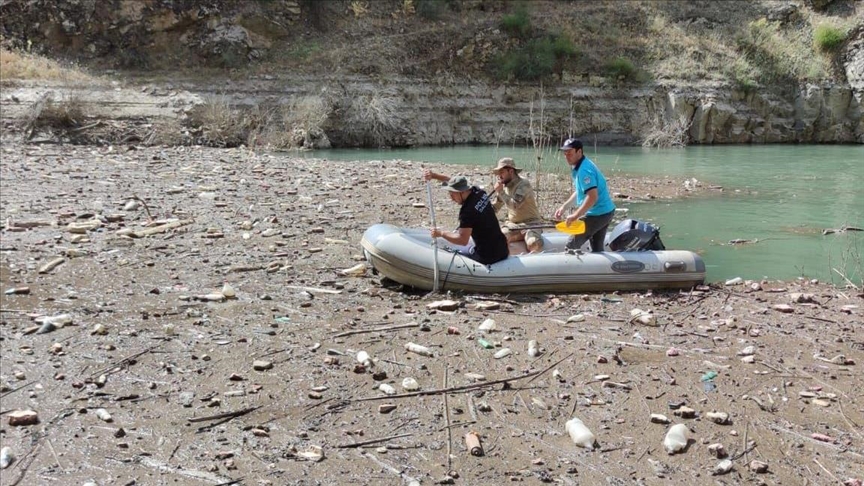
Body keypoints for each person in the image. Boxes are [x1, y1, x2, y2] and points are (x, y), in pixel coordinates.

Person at [423, 169, 509, 265]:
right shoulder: (479, 192)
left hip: (487, 257)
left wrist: (441, 233)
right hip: (503, 248)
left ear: (462, 192)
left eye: (453, 195)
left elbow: (462, 240)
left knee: (451, 252)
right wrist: (434, 175)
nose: (451, 199)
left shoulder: (467, 212)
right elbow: (454, 181)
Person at [554, 138, 616, 252]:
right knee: (596, 248)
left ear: (579, 152)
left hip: (598, 214)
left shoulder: (584, 170)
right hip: (606, 212)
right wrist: (564, 207)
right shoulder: (581, 165)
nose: (567, 156)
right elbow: (581, 191)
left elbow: (592, 197)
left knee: (571, 246)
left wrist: (575, 215)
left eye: (570, 153)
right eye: (565, 153)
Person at [490, 157, 545, 253]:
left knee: (534, 243)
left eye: (502, 173)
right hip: (513, 225)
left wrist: (501, 192)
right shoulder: (504, 186)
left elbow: (515, 205)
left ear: (511, 171)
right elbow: (496, 206)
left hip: (531, 224)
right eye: (498, 174)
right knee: (498, 240)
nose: (499, 176)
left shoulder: (523, 184)